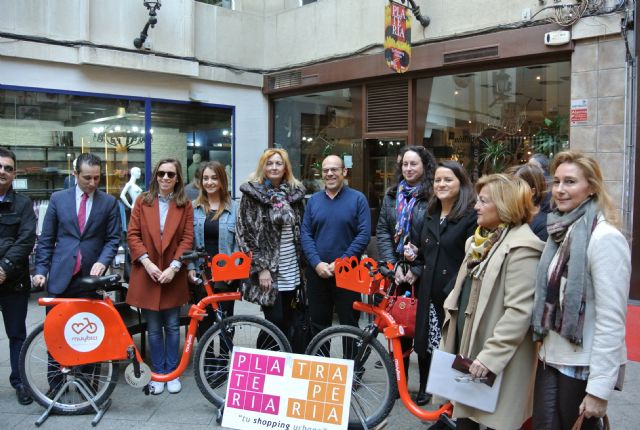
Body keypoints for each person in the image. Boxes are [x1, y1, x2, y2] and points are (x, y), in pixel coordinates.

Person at [531, 151, 630, 429]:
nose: (560, 190)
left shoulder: (605, 238)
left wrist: (599, 390)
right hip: (551, 358)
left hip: (582, 366)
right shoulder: (561, 231)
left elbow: (612, 320)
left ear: (592, 188)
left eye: (570, 182)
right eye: (557, 181)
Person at [440, 174, 544, 430]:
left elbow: (519, 313)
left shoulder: (523, 248)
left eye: (483, 201)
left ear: (505, 205)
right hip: (470, 354)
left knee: (494, 422)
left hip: (495, 360)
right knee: (465, 421)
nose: (476, 206)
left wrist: (489, 358)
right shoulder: (479, 242)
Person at [404, 160, 477, 406]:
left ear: (461, 183)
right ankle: (428, 391)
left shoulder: (470, 218)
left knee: (450, 350)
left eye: (448, 179)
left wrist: (452, 292)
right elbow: (423, 252)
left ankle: (450, 406)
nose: (441, 184)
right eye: (437, 180)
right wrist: (414, 256)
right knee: (425, 346)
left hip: (453, 296)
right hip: (428, 293)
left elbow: (471, 260)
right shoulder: (430, 214)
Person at [126, 158, 194, 395]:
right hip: (148, 272)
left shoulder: (185, 205)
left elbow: (187, 238)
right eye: (162, 173)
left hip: (172, 274)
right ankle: (159, 373)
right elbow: (133, 235)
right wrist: (147, 263)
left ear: (177, 179)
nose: (165, 178)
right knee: (154, 328)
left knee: (174, 326)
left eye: (171, 174)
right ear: (155, 175)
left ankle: (172, 372)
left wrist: (174, 267)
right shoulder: (142, 201)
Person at [375, 145, 436, 400]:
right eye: (405, 165)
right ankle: (400, 382)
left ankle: (424, 386)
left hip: (425, 272)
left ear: (425, 166)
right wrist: (393, 265)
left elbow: (434, 236)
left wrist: (418, 268)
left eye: (414, 164)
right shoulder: (392, 195)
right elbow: (383, 232)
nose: (409, 169)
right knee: (397, 326)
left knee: (421, 328)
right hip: (397, 272)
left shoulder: (433, 195)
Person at [236, 149, 306, 347]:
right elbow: (244, 234)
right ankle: (265, 365)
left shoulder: (295, 194)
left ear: (285, 168)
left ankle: (283, 365)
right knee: (274, 322)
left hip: (291, 267)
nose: (274, 167)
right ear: (263, 167)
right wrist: (261, 268)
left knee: (289, 319)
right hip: (268, 271)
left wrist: (303, 264)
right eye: (270, 163)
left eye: (278, 163)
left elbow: (301, 230)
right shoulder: (252, 194)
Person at [301, 155, 371, 336]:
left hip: (348, 273)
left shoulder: (358, 199)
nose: (329, 174)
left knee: (350, 326)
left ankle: (353, 364)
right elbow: (305, 234)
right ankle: (322, 364)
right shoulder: (313, 201)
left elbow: (363, 235)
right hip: (318, 273)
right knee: (318, 325)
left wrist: (341, 262)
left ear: (344, 172)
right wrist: (316, 263)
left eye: (334, 169)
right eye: (325, 170)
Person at [34, 152, 120, 296]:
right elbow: (47, 239)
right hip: (60, 276)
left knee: (89, 319)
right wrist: (41, 270)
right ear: (75, 174)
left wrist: (103, 262)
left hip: (92, 277)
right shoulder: (58, 199)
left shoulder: (109, 202)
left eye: (96, 178)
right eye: (87, 178)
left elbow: (113, 239)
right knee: (59, 318)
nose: (92, 183)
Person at [0, 147, 37, 405]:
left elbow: (26, 240)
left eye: (8, 168)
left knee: (17, 335)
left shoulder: (24, 204)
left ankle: (20, 382)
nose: (2, 172)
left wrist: (3, 268)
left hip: (13, 281)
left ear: (14, 173)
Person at [188, 160, 238, 339]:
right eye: (206, 178)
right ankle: (206, 363)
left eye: (214, 178)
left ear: (222, 180)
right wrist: (191, 268)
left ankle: (223, 363)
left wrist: (235, 268)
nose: (209, 182)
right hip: (202, 271)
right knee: (204, 321)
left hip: (226, 271)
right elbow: (189, 242)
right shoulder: (193, 208)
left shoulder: (234, 208)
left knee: (225, 320)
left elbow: (240, 243)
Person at [507, 163, 549, 241]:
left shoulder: (543, 225)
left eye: (516, 186)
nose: (509, 192)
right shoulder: (509, 217)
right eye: (509, 186)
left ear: (532, 191)